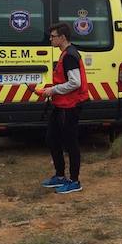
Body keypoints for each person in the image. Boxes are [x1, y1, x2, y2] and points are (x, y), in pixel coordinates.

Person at [38, 22, 89, 194]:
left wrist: (52, 90)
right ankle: (60, 176)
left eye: (53, 36)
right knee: (52, 138)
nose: (50, 39)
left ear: (63, 37)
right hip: (60, 104)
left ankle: (74, 181)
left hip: (71, 105)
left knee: (70, 142)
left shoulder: (69, 56)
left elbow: (75, 82)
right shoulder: (65, 54)